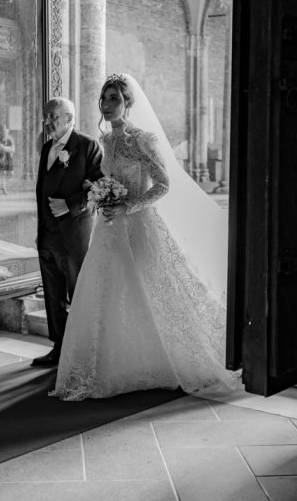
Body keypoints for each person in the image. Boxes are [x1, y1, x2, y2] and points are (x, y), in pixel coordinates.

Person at [50, 73, 237, 400]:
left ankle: (166, 360)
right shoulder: (106, 141)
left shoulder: (142, 139)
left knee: (151, 289)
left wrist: (128, 207)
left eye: (114, 100)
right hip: (108, 229)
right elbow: (104, 180)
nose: (107, 106)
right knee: (110, 293)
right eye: (104, 99)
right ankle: (114, 364)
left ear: (128, 103)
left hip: (138, 224)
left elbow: (164, 185)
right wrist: (98, 194)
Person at [32, 97, 104, 367]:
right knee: (53, 295)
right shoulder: (46, 148)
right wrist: (40, 230)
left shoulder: (87, 146)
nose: (47, 122)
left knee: (78, 293)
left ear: (69, 117)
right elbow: (41, 192)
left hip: (74, 235)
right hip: (48, 235)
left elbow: (100, 186)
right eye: (46, 117)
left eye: (52, 117)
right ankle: (59, 348)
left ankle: (83, 351)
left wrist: (71, 205)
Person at [0, 124, 15, 194]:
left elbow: (13, 149)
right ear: (0, 131)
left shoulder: (10, 138)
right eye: (2, 131)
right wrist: (9, 148)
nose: (4, 132)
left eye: (5, 130)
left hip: (9, 157)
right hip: (1, 157)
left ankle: (4, 185)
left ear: (7, 130)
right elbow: (0, 148)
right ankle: (4, 188)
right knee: (3, 173)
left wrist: (5, 148)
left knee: (11, 174)